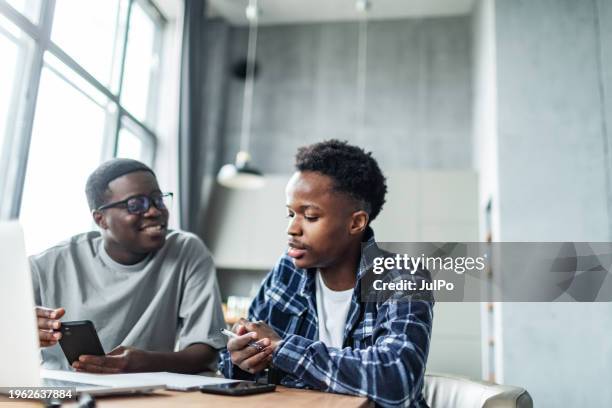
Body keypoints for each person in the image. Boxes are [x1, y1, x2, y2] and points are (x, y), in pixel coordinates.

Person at [219, 140, 434, 407]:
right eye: (290, 214)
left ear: (355, 222)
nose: (292, 229)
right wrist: (240, 361)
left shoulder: (403, 277)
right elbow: (237, 362)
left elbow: (397, 380)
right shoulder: (286, 272)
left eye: (309, 216)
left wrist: (283, 349)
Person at [32, 158, 225, 373]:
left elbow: (207, 353)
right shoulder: (46, 265)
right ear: (101, 219)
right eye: (136, 204)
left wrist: (145, 363)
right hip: (61, 392)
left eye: (158, 200)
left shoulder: (186, 251)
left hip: (146, 393)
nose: (154, 211)